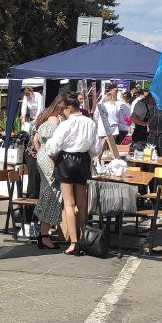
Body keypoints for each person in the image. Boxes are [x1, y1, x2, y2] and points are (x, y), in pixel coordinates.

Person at [44, 95, 98, 255]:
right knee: (82, 204)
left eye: (63, 109)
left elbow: (53, 147)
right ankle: (84, 238)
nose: (62, 112)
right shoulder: (90, 122)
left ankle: (74, 243)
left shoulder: (66, 124)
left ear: (69, 108)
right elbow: (95, 149)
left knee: (69, 203)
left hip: (66, 160)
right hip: (82, 161)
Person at [29, 103, 65, 249]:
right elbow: (54, 147)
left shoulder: (44, 118)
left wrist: (40, 154)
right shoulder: (56, 121)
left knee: (48, 192)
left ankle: (42, 232)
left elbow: (35, 140)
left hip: (42, 157)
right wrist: (53, 163)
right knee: (53, 193)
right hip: (50, 159)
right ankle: (44, 235)